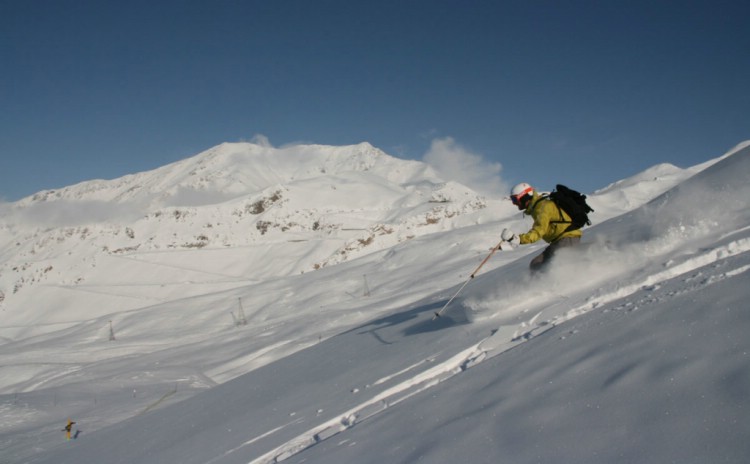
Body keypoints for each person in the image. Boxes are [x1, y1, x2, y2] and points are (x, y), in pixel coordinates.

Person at [501, 182, 582, 272]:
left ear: (524, 196)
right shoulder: (537, 207)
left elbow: (539, 231)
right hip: (560, 240)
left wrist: (518, 239)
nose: (514, 203)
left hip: (567, 238)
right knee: (536, 264)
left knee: (552, 265)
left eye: (515, 199)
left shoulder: (543, 207)